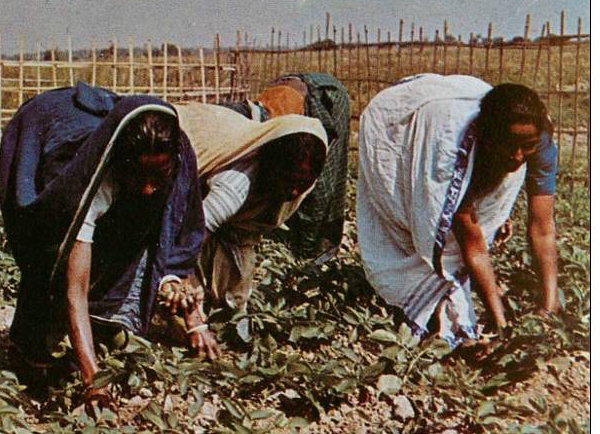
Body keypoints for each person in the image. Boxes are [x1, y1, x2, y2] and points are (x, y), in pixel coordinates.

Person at [0, 82, 205, 402]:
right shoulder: (87, 184)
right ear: (119, 161)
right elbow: (74, 290)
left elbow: (177, 231)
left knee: (119, 329)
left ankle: (100, 323)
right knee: (50, 265)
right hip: (43, 126)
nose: (150, 189)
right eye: (139, 176)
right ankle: (31, 343)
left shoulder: (176, 155)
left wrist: (191, 314)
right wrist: (92, 378)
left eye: (158, 177)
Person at [356, 74, 559, 347]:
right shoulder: (452, 150)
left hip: (473, 148)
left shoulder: (541, 145)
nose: (518, 156)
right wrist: (501, 325)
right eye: (510, 145)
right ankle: (418, 280)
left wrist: (549, 305)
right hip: (402, 133)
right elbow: (473, 243)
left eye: (527, 146)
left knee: (456, 240)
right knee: (429, 225)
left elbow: (542, 228)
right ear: (489, 138)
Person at [163, 101, 328, 356]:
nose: (295, 191)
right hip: (177, 155)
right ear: (273, 167)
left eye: (303, 183)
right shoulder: (236, 185)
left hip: (220, 213)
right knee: (179, 318)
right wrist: (194, 322)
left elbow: (241, 239)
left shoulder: (295, 182)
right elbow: (183, 247)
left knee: (234, 304)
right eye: (290, 181)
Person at [222, 72, 350, 262]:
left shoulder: (313, 116)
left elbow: (319, 190)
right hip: (288, 92)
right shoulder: (253, 131)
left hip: (324, 97)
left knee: (324, 181)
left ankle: (314, 249)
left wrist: (304, 255)